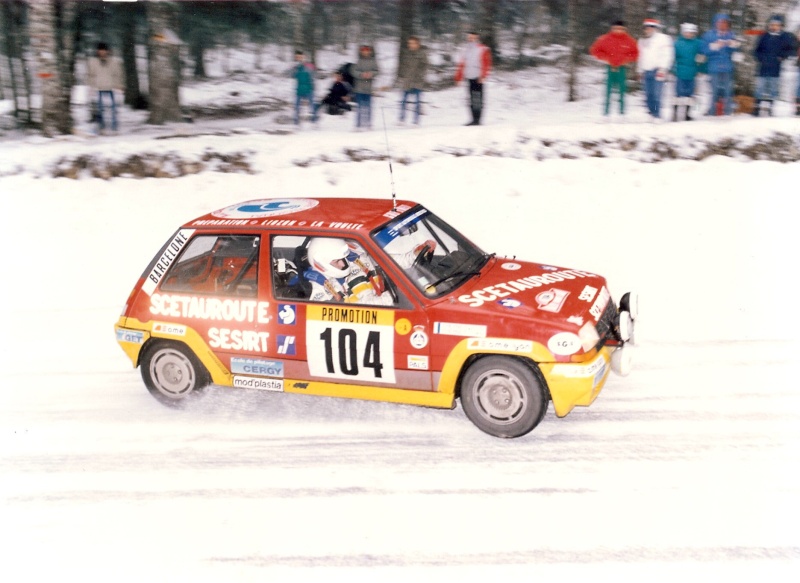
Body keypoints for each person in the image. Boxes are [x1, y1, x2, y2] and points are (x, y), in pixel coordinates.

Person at [304, 238, 393, 305]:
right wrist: (390, 299)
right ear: (322, 263)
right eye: (337, 261)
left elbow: (392, 262)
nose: (343, 264)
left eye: (342, 259)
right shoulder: (319, 287)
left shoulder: (354, 257)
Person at [589, 21, 639, 119]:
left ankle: (621, 113)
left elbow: (635, 53)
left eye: (621, 29)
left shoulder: (629, 40)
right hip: (610, 67)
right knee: (608, 91)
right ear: (612, 29)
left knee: (622, 91)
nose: (618, 31)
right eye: (616, 28)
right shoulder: (605, 39)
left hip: (622, 68)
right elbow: (594, 50)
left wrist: (626, 60)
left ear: (625, 30)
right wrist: (605, 58)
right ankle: (606, 114)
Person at [752, 14, 797, 116]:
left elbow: (791, 49)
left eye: (776, 25)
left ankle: (770, 108)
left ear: (781, 26)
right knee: (760, 88)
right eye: (772, 24)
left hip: (775, 68)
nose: (774, 27)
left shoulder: (784, 37)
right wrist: (761, 58)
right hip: (763, 68)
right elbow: (756, 50)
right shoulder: (764, 36)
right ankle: (757, 108)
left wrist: (782, 56)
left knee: (773, 89)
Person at [701, 13, 741, 116]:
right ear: (715, 23)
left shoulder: (731, 34)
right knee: (714, 91)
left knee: (728, 92)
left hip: (727, 68)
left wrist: (733, 45)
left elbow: (737, 50)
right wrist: (715, 46)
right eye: (720, 22)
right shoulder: (709, 35)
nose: (723, 25)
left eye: (725, 23)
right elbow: (703, 50)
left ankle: (727, 112)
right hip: (714, 68)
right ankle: (712, 112)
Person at [637, 19, 674, 121]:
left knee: (657, 94)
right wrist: (639, 70)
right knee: (648, 94)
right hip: (646, 71)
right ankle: (651, 113)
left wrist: (663, 68)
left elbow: (667, 54)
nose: (649, 30)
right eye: (647, 28)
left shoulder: (664, 39)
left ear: (655, 28)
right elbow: (640, 57)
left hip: (658, 70)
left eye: (651, 28)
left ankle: (657, 115)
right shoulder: (642, 41)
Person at [454, 31, 492, 126]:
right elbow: (461, 64)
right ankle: (473, 119)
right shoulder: (465, 50)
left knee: (477, 99)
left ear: (477, 38)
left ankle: (477, 119)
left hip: (478, 76)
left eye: (473, 38)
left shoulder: (483, 49)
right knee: (470, 99)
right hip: (469, 77)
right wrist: (458, 77)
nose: (471, 39)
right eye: (470, 38)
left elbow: (487, 64)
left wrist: (483, 76)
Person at [86, 42, 124, 134]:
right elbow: (90, 75)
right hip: (98, 88)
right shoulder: (93, 62)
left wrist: (120, 85)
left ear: (107, 51)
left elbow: (118, 74)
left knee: (114, 109)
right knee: (100, 109)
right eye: (100, 50)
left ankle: (114, 128)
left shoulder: (114, 62)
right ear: (98, 51)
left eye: (104, 50)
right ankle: (102, 128)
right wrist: (91, 87)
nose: (102, 52)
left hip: (111, 87)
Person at [672, 22, 703, 121]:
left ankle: (687, 114)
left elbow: (702, 56)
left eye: (691, 32)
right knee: (678, 94)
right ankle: (675, 114)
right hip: (680, 72)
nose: (689, 34)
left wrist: (700, 67)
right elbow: (672, 57)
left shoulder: (698, 43)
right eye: (687, 32)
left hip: (692, 72)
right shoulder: (677, 43)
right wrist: (673, 69)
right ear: (683, 32)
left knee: (690, 95)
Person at [397, 35, 429, 125]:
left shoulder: (422, 54)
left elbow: (425, 66)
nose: (411, 45)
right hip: (407, 81)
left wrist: (420, 75)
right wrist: (404, 75)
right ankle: (401, 119)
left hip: (417, 81)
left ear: (418, 44)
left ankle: (416, 120)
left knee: (417, 101)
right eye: (410, 43)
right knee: (403, 100)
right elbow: (403, 66)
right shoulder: (407, 53)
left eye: (413, 43)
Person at [353, 45, 379, 130]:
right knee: (359, 107)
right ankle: (358, 124)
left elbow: (377, 71)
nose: (365, 52)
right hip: (359, 88)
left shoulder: (373, 61)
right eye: (363, 50)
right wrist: (361, 74)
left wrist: (371, 74)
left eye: (367, 50)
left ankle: (368, 123)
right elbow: (354, 71)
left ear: (370, 52)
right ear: (361, 52)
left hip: (369, 88)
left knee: (368, 106)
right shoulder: (358, 61)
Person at [292, 50, 317, 125]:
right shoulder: (295, 67)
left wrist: (313, 87)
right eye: (297, 57)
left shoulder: (308, 65)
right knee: (297, 106)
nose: (298, 58)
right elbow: (292, 75)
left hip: (309, 89)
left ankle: (314, 121)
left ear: (303, 57)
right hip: (299, 89)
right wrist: (294, 69)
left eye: (300, 57)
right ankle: (296, 122)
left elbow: (314, 74)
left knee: (312, 105)